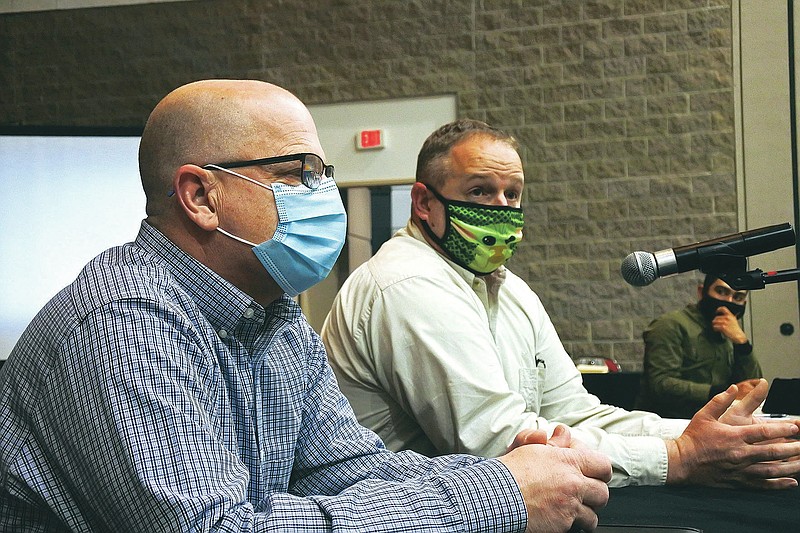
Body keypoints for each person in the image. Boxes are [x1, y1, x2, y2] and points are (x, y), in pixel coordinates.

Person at [0, 81, 614, 533]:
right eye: (296, 174)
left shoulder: (274, 314)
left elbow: (345, 469)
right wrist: (498, 496)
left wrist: (510, 471)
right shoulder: (126, 319)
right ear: (200, 195)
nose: (324, 197)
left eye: (323, 175)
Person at [321, 118, 800, 489]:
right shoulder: (408, 282)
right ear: (424, 203)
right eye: (480, 191)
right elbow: (493, 444)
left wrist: (744, 435)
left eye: (513, 194)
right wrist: (678, 457)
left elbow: (577, 414)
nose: (502, 209)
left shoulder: (510, 290)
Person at [636, 274, 763, 418]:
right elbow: (661, 384)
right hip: (669, 423)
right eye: (721, 292)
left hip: (716, 422)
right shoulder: (670, 325)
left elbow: (751, 387)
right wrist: (722, 394)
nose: (729, 301)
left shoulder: (729, 331)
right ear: (702, 292)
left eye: (738, 297)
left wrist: (742, 343)